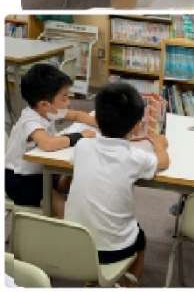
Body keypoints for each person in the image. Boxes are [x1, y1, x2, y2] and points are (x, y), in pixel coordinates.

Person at [64, 83, 169, 286]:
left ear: (97, 119)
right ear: (137, 126)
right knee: (141, 238)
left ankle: (92, 278)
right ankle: (130, 283)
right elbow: (163, 162)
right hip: (112, 251)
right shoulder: (134, 157)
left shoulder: (82, 145)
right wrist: (160, 145)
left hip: (75, 245)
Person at [5, 63, 96, 218]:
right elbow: (47, 144)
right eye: (64, 97)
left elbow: (77, 115)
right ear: (44, 104)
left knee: (75, 173)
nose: (68, 102)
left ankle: (68, 200)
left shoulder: (48, 110)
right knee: (55, 197)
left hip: (38, 172)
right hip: (19, 180)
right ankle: (68, 224)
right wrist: (79, 136)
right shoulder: (30, 120)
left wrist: (105, 124)